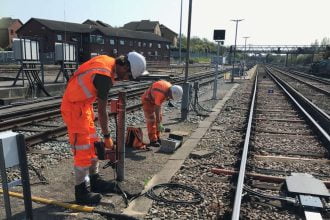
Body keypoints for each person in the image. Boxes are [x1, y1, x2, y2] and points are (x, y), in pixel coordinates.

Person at [61, 52, 148, 205]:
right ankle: (81, 192)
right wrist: (107, 136)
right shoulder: (105, 76)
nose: (126, 79)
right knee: (82, 152)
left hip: (84, 107)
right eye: (128, 75)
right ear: (125, 66)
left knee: (93, 146)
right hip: (74, 109)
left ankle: (95, 180)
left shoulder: (108, 62)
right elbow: (102, 111)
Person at [141, 80, 183, 147]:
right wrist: (158, 122)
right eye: (171, 97)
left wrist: (159, 121)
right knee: (152, 120)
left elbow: (158, 106)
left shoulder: (169, 87)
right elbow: (157, 108)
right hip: (147, 100)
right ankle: (153, 140)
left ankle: (157, 137)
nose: (170, 98)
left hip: (155, 99)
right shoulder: (161, 93)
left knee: (159, 118)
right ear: (171, 92)